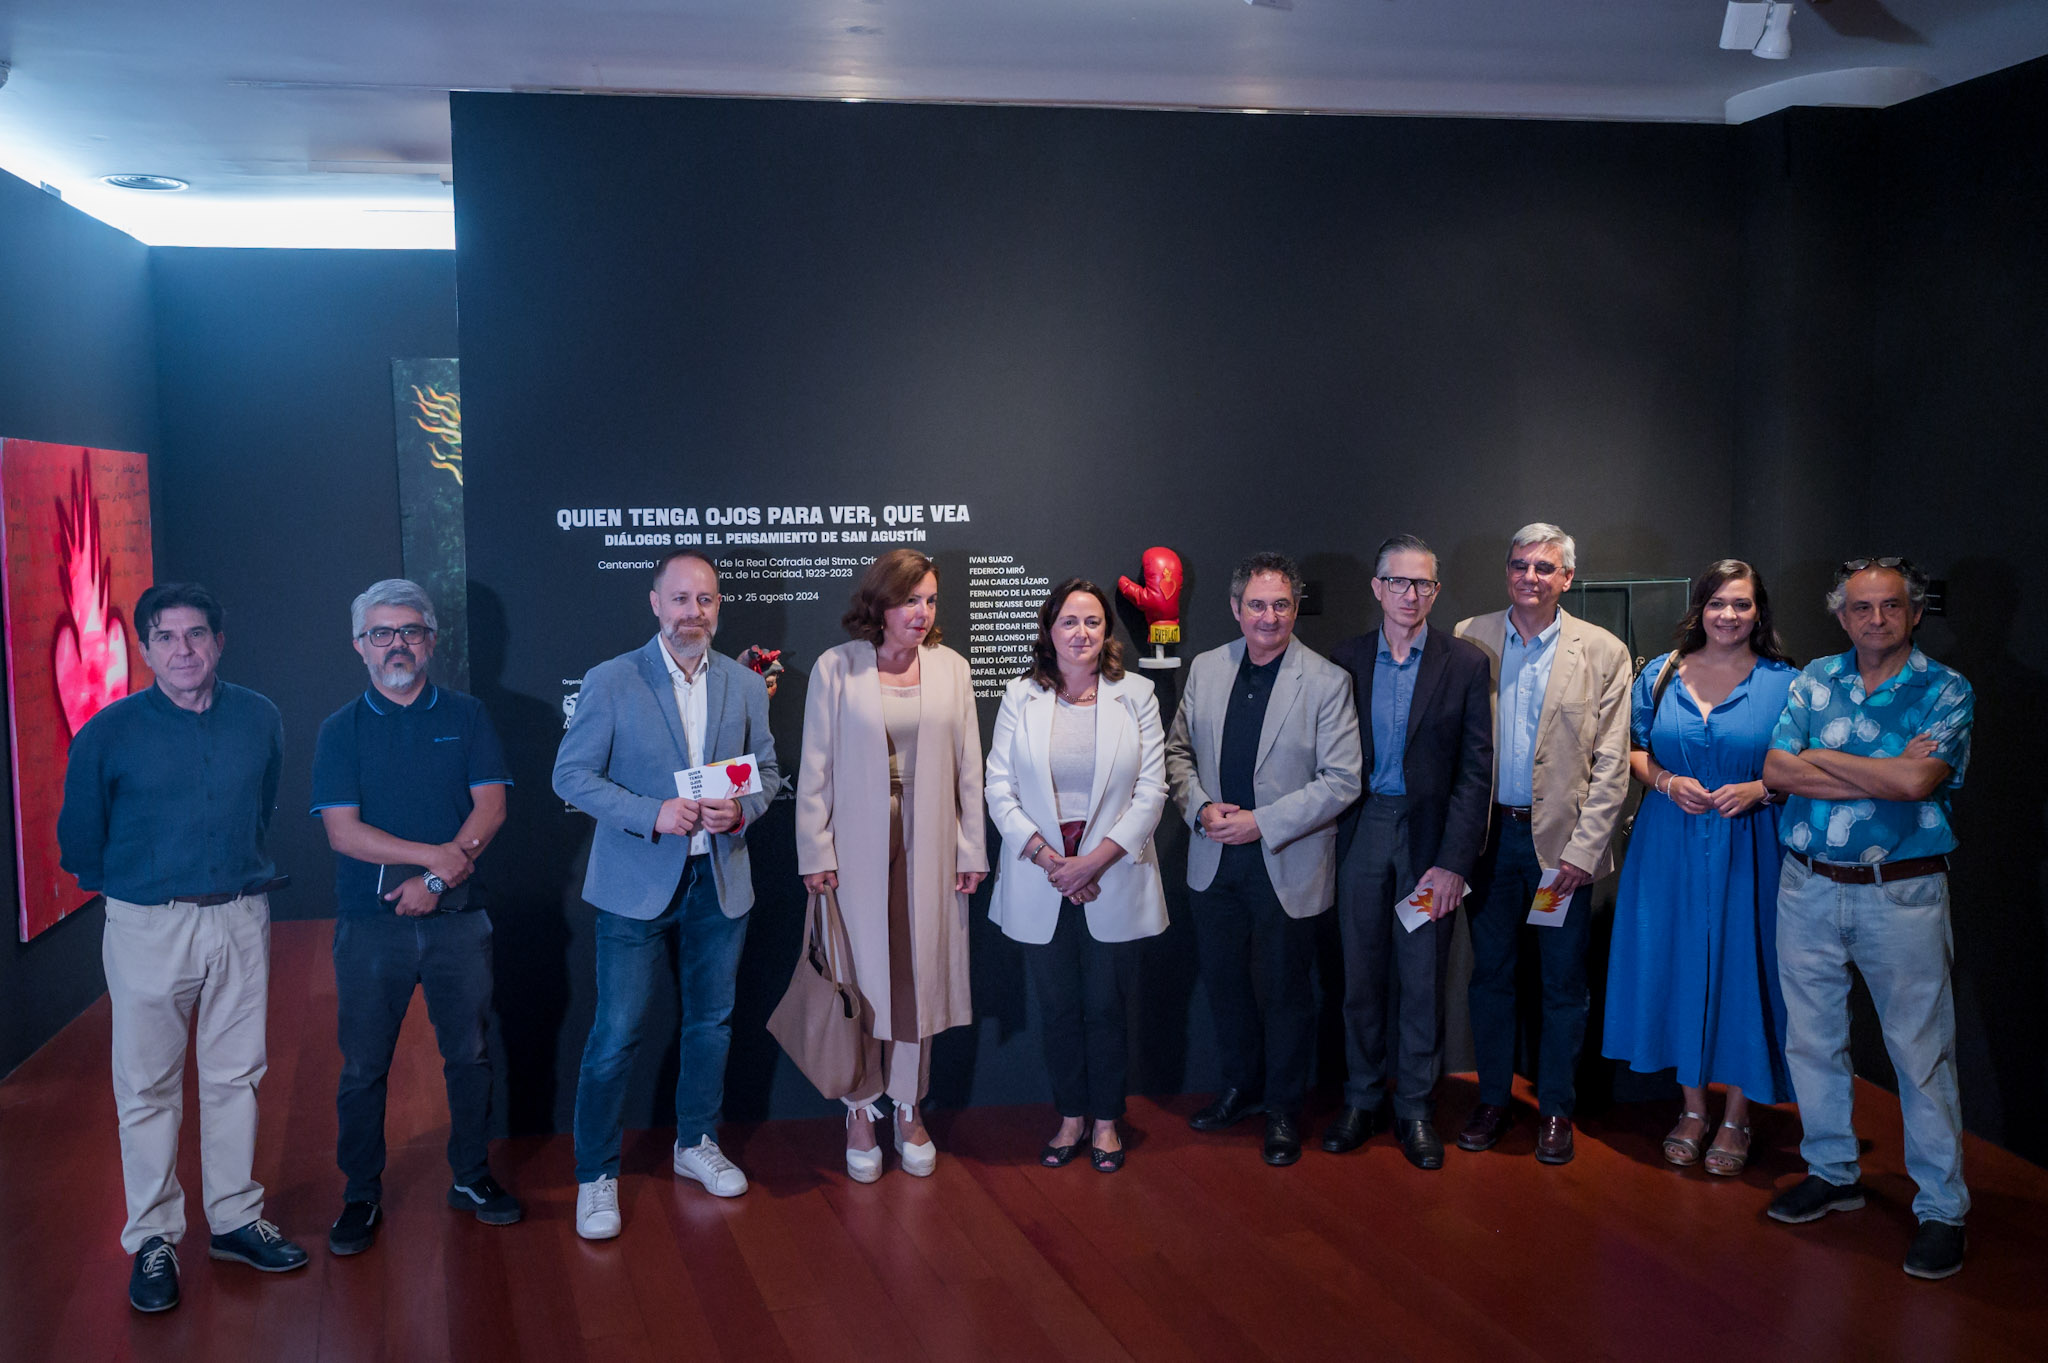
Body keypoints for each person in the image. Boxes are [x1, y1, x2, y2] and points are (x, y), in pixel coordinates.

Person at [57, 582, 308, 1312]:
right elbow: (81, 842)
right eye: (165, 637)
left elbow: (262, 805)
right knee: (147, 1086)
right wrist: (144, 890)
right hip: (147, 922)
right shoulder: (107, 733)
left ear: (219, 641)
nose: (183, 650)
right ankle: (155, 1237)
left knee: (237, 1073)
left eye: (197, 634)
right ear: (143, 648)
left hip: (239, 915)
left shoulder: (259, 717)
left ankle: (233, 1217)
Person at [553, 551, 781, 1239]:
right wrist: (649, 811)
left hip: (719, 876)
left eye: (704, 600)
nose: (693, 612)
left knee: (711, 1022)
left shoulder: (744, 683)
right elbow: (571, 775)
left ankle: (695, 1143)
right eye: (679, 599)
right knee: (616, 1032)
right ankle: (596, 1174)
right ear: (655, 603)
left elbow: (765, 771)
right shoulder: (612, 679)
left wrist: (740, 811)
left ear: (718, 606)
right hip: (633, 882)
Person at [1761, 557, 1974, 1280]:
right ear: (1842, 614)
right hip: (1809, 885)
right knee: (1813, 1040)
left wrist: (1822, 753)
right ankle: (1833, 1171)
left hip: (1902, 892)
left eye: (1890, 606)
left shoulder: (1945, 690)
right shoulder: (1815, 678)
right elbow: (1777, 770)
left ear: (1914, 613)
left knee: (1921, 1053)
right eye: (1861, 607)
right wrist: (1876, 763)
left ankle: (1942, 1207)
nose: (1875, 619)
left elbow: (1921, 781)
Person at [309, 579, 519, 1255]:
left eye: (410, 631)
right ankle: (361, 1193)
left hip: (459, 919)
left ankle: (471, 1175)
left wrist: (434, 875)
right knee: (364, 1066)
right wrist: (431, 856)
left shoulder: (468, 713)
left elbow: (492, 808)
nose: (396, 644)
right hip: (371, 927)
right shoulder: (339, 730)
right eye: (381, 633)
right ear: (358, 646)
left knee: (470, 1055)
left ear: (431, 640)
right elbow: (343, 832)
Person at [796, 548, 989, 1181]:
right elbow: (815, 770)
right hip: (853, 847)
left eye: (931, 600)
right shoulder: (837, 667)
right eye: (910, 600)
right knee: (859, 974)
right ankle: (859, 1106)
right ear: (879, 604)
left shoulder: (951, 669)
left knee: (916, 974)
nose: (923, 612)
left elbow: (969, 770)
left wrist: (971, 851)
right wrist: (814, 852)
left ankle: (908, 1104)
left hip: (929, 841)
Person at [1164, 551, 1363, 1166]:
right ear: (1235, 608)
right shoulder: (1205, 669)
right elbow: (1176, 754)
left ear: (1295, 608)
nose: (1269, 617)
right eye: (1257, 604)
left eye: (1280, 604)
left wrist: (1261, 823)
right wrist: (1200, 809)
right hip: (1213, 859)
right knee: (1225, 987)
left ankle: (1282, 1107)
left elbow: (1343, 780)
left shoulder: (1327, 681)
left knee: (1285, 994)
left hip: (1288, 860)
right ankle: (1242, 1090)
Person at [1602, 561, 1798, 1177]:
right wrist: (1663, 779)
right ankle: (1692, 1106)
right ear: (1699, 608)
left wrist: (1762, 790)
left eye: (1741, 604)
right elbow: (1632, 748)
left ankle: (1737, 1113)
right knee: (1675, 963)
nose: (1729, 615)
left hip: (1752, 844)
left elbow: (1809, 767)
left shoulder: (1789, 683)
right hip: (1669, 843)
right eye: (1717, 603)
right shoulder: (1659, 674)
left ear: (1759, 611)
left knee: (1747, 968)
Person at [1453, 523, 1631, 1165]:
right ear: (1508, 572)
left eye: (1544, 568)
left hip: (1561, 850)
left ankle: (1556, 1109)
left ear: (1566, 579)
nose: (1530, 577)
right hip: (1490, 840)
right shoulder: (1470, 637)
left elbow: (1611, 764)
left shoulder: (1604, 651)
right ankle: (1494, 1100)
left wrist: (1585, 852)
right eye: (1520, 565)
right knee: (1491, 977)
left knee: (1563, 986)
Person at [985, 579, 1169, 1174]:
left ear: (1107, 633)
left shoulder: (1136, 695)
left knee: (1106, 1007)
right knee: (1059, 1007)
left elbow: (1152, 790)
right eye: (1069, 621)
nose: (1081, 633)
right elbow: (998, 789)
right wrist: (1050, 861)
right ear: (1049, 630)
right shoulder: (1020, 697)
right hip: (1042, 877)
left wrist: (1093, 862)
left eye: (1092, 622)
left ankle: (1108, 1120)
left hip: (1112, 874)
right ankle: (1070, 1115)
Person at [1324, 536, 1493, 1169]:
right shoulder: (1345, 660)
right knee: (1361, 979)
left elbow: (1476, 773)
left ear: (1436, 592)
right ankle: (1362, 1099)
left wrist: (1454, 863)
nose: (1409, 594)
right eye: (1397, 582)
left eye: (1421, 584)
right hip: (1362, 829)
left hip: (1430, 842)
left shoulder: (1465, 664)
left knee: (1423, 981)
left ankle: (1416, 1108)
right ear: (1376, 587)